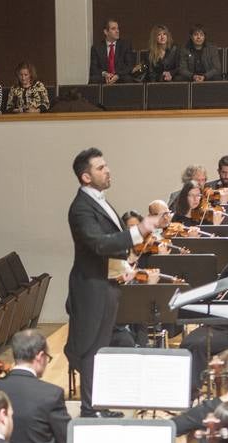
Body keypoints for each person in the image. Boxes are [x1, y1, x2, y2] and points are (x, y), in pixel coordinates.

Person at [65, 148, 163, 416]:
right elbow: (98, 244)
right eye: (100, 168)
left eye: (106, 165)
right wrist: (138, 231)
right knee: (90, 348)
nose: (107, 170)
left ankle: (99, 405)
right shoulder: (81, 209)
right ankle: (90, 408)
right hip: (91, 287)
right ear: (86, 177)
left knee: (102, 346)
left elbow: (109, 246)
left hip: (106, 283)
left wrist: (123, 267)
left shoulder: (99, 201)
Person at [89, 19, 133, 84]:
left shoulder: (125, 45)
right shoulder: (96, 47)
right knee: (93, 79)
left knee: (127, 78)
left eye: (118, 29)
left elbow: (129, 66)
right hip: (104, 77)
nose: (117, 31)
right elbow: (93, 68)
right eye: (113, 29)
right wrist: (105, 74)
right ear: (106, 32)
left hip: (120, 76)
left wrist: (118, 75)